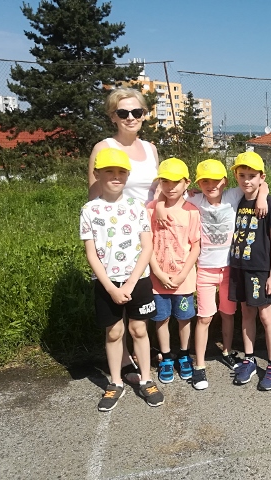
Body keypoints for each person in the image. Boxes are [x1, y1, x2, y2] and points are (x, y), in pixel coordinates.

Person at [80, 148, 164, 411]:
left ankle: (146, 379)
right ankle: (115, 382)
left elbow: (147, 247)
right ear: (97, 174)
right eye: (109, 171)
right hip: (107, 283)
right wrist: (111, 288)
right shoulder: (89, 210)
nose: (116, 177)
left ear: (127, 176)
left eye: (121, 172)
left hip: (138, 280)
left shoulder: (137, 207)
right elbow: (91, 254)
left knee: (139, 330)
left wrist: (130, 283)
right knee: (114, 332)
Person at [88, 87, 160, 384]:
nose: (130, 117)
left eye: (136, 112)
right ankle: (126, 359)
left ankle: (152, 351)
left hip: (149, 232)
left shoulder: (151, 149)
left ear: (145, 115)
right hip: (117, 238)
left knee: (144, 295)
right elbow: (94, 197)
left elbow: (158, 190)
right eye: (123, 112)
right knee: (119, 301)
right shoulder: (103, 148)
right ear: (112, 116)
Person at [183, 159, 268, 390]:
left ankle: (227, 351)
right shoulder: (195, 199)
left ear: (225, 181)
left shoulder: (232, 195)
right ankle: (199, 366)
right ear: (198, 183)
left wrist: (262, 197)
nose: (211, 185)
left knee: (228, 314)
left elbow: (261, 182)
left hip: (230, 269)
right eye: (205, 181)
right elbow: (168, 192)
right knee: (204, 318)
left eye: (215, 181)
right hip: (206, 270)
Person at [228, 152, 271, 391]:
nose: (247, 180)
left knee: (265, 315)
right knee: (246, 312)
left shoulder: (269, 203)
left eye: (252, 176)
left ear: (262, 177)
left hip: (260, 270)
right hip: (239, 266)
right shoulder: (237, 199)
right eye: (242, 175)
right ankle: (249, 359)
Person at [146, 158, 200, 386]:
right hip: (157, 279)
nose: (170, 187)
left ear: (186, 183)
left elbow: (196, 246)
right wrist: (158, 273)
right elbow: (147, 244)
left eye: (176, 182)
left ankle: (184, 354)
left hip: (183, 279)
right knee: (161, 318)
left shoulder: (192, 211)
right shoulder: (150, 209)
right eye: (165, 181)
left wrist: (182, 274)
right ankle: (166, 357)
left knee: (184, 318)